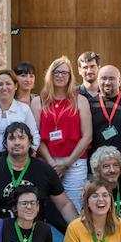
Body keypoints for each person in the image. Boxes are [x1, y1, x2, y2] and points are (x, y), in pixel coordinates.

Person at [33, 56, 93, 212]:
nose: (60, 76)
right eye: (56, 72)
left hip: (75, 164)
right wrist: (52, 164)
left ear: (70, 76)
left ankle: (74, 237)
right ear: (50, 75)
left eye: (64, 73)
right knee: (47, 208)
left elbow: (87, 136)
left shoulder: (80, 100)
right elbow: (35, 136)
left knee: (75, 207)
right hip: (47, 162)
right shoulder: (38, 101)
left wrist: (66, 164)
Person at [91, 145, 121, 221]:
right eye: (106, 166)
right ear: (97, 170)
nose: (112, 170)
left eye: (115, 165)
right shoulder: (92, 191)